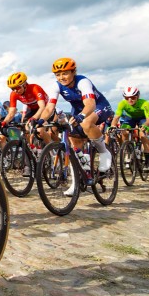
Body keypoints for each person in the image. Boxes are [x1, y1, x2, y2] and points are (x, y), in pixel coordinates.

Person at [36, 58, 114, 195]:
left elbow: (90, 104)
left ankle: (103, 151)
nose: (61, 77)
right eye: (58, 74)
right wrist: (41, 120)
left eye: (65, 73)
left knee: (86, 123)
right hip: (78, 110)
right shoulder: (57, 86)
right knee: (74, 142)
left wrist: (82, 116)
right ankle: (79, 179)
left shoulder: (83, 81)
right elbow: (49, 108)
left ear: (73, 72)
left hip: (99, 106)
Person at [110, 87, 149, 170]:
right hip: (130, 118)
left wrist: (144, 126)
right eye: (127, 98)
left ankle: (147, 162)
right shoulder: (122, 103)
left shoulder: (145, 103)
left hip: (143, 119)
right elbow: (116, 117)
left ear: (138, 96)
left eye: (133, 97)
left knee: (143, 136)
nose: (130, 100)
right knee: (124, 132)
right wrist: (112, 126)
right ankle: (128, 152)